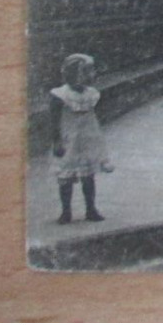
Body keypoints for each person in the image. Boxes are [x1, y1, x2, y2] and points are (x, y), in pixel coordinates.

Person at [49, 53, 112, 224]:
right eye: (87, 71)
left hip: (87, 138)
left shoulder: (91, 94)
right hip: (69, 139)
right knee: (66, 177)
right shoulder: (60, 95)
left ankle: (91, 209)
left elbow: (94, 118)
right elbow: (54, 121)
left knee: (88, 175)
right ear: (76, 73)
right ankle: (66, 211)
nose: (92, 75)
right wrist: (57, 141)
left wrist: (97, 140)